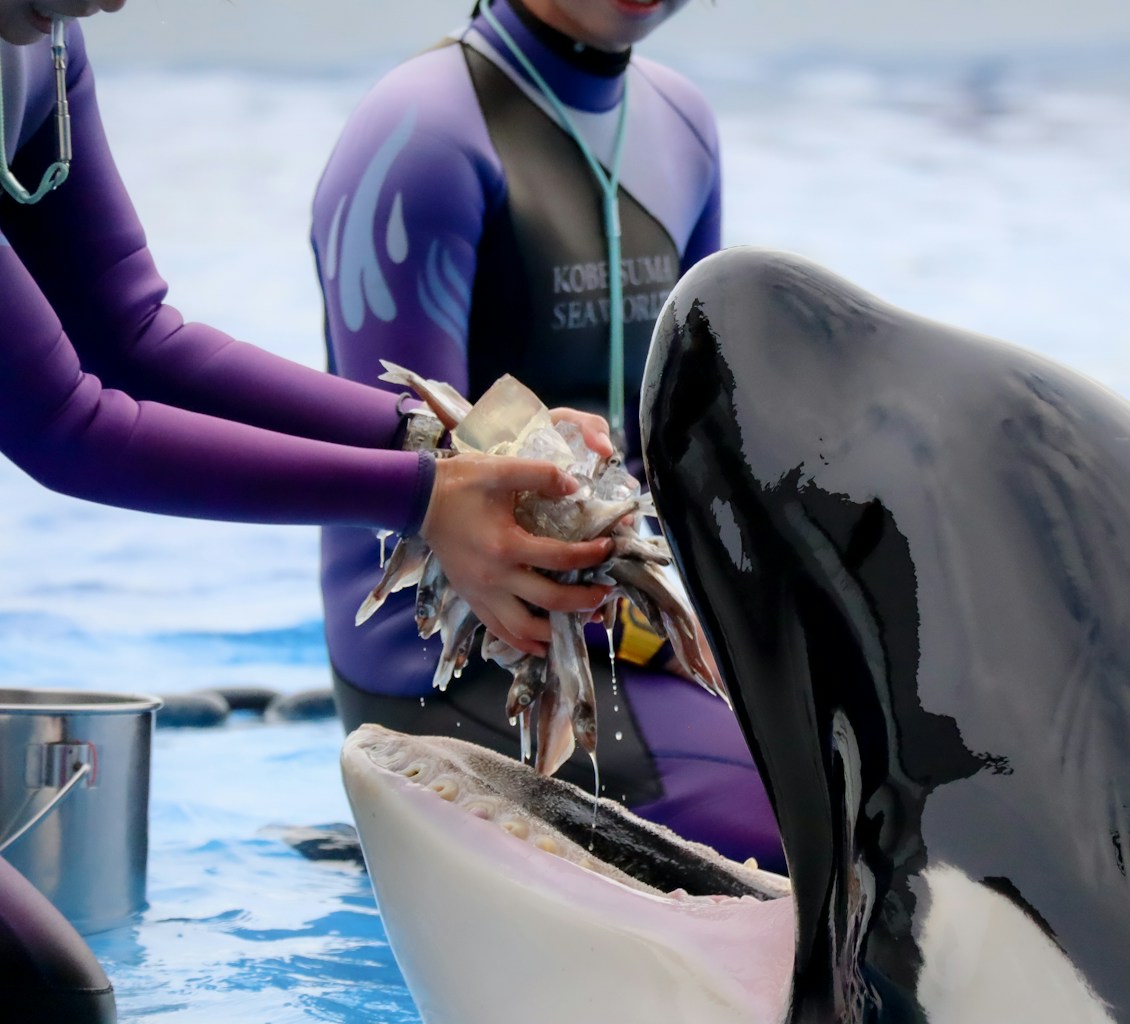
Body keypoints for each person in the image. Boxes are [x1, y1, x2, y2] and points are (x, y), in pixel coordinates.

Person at [0, 3, 621, 1018]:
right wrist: (423, 494)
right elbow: (68, 426)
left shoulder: (43, 43)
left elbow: (136, 336)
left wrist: (448, 437)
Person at [311, 0, 784, 871]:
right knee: (799, 838)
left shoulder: (680, 121)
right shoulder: (420, 136)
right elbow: (409, 471)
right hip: (462, 655)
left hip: (639, 620)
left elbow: (690, 443)